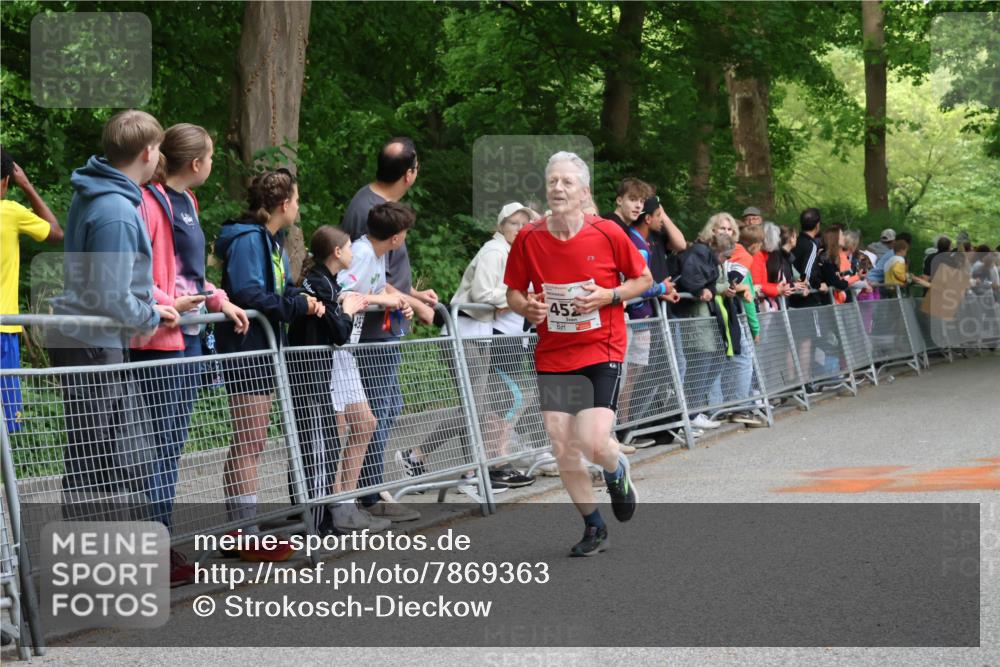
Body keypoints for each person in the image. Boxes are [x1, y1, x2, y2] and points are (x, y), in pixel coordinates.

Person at [504, 151, 652, 556]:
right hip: (554, 354)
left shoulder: (607, 232)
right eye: (552, 181)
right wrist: (526, 307)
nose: (558, 188)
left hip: (600, 347)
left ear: (584, 191)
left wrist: (610, 294)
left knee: (591, 441)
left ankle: (616, 467)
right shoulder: (529, 238)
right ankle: (594, 526)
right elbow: (513, 291)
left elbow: (644, 278)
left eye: (567, 182)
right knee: (561, 443)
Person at [129, 123, 250, 585]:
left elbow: (193, 277)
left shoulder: (189, 203)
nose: (213, 164)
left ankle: (162, 542)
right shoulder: (149, 202)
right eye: (212, 157)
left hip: (192, 338)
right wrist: (164, 303)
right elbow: (142, 273)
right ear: (197, 163)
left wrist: (220, 300)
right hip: (163, 340)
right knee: (157, 447)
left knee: (171, 447)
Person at [48, 110, 180, 516]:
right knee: (97, 460)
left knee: (107, 457)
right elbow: (110, 294)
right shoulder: (116, 211)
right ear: (147, 151)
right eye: (159, 149)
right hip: (95, 342)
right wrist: (151, 315)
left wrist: (147, 306)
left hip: (92, 339)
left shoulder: (101, 194)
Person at [214, 168, 324, 561]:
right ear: (282, 204)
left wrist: (302, 297)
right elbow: (247, 292)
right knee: (250, 438)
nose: (298, 206)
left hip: (264, 345)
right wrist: (296, 305)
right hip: (248, 346)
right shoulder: (248, 239)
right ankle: (244, 531)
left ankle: (242, 528)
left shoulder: (270, 239)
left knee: (253, 438)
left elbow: (276, 288)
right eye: (296, 199)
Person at [399, 202, 538, 489]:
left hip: (479, 335)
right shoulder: (494, 251)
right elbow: (482, 294)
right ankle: (416, 456)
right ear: (501, 226)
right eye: (513, 223)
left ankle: (470, 470)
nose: (519, 229)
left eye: (524, 224)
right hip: (465, 334)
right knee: (473, 405)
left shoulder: (510, 253)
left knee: (478, 403)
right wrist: (517, 297)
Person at [340, 137, 433, 522]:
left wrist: (413, 293)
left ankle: (370, 488)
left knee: (389, 405)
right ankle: (369, 492)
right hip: (372, 331)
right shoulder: (366, 210)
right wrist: (415, 305)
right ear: (410, 173)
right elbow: (362, 281)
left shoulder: (379, 204)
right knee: (376, 410)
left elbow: (384, 276)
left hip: (388, 324)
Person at [287, 225, 390, 534]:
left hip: (326, 368)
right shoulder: (320, 284)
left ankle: (339, 508)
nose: (352, 252)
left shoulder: (326, 282)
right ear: (336, 253)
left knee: (357, 426)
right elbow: (340, 334)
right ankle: (320, 523)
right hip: (316, 372)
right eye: (347, 247)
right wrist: (346, 310)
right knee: (324, 442)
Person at [333, 203, 416, 527]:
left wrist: (402, 303)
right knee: (353, 425)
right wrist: (387, 301)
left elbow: (377, 288)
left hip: (352, 350)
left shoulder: (376, 255)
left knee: (370, 419)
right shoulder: (364, 252)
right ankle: (345, 500)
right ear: (396, 238)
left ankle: (347, 502)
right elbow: (343, 292)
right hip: (342, 352)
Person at [1, 148, 63, 436]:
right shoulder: (10, 212)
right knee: (6, 420)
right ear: (5, 182)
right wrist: (26, 185)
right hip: (3, 331)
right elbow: (56, 232)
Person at [617, 195, 681, 446]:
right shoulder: (633, 242)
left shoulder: (651, 241)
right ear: (648, 218)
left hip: (644, 319)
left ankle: (626, 427)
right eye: (659, 217)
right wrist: (659, 289)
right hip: (632, 317)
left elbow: (680, 243)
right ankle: (619, 430)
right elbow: (635, 285)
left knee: (632, 377)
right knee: (623, 377)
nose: (662, 222)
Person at [675, 229, 736, 430]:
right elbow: (691, 278)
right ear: (719, 251)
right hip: (694, 319)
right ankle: (690, 413)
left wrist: (709, 289)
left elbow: (710, 283)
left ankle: (694, 410)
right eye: (727, 256)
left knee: (712, 362)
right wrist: (704, 290)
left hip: (705, 318)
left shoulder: (707, 258)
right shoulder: (699, 254)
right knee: (698, 367)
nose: (726, 260)